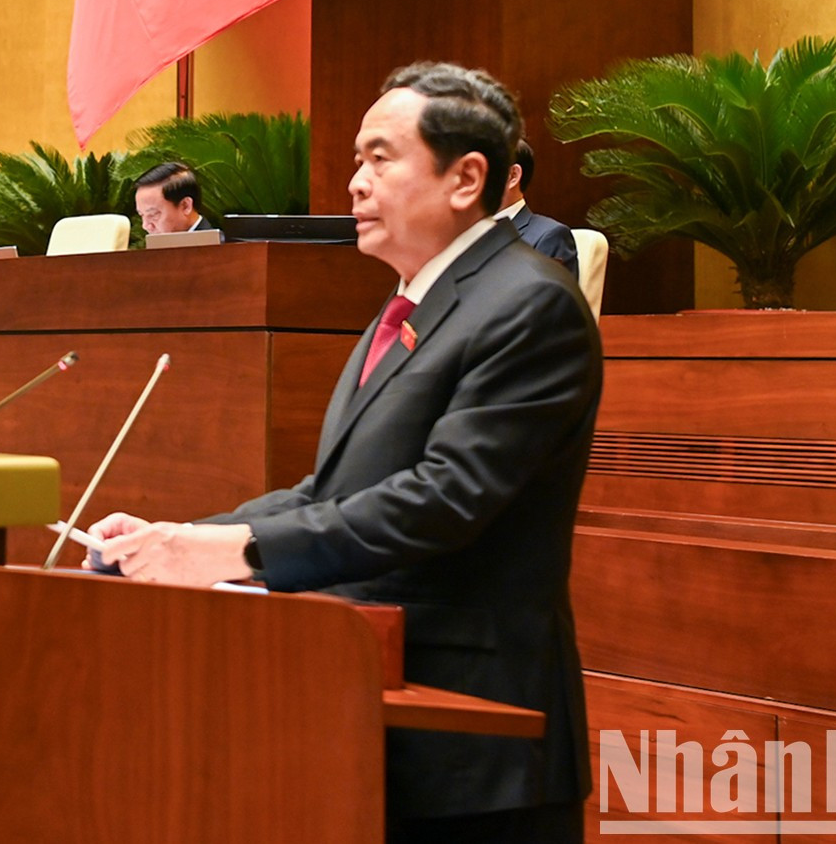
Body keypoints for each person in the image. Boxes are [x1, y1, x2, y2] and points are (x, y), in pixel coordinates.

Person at [91, 62, 600, 843]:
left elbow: (443, 498)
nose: (354, 182)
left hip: (476, 739)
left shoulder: (529, 304)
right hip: (374, 709)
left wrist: (237, 550)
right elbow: (329, 489)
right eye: (357, 160)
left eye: (379, 157)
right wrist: (178, 538)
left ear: (466, 177)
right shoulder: (409, 304)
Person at [497, 138, 579, 277]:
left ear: (513, 176)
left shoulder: (550, 236)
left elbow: (551, 297)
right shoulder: (468, 232)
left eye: (483, 168)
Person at [133, 160, 213, 236]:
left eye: (153, 214)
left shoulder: (215, 247)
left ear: (185, 206)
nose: (146, 226)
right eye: (142, 215)